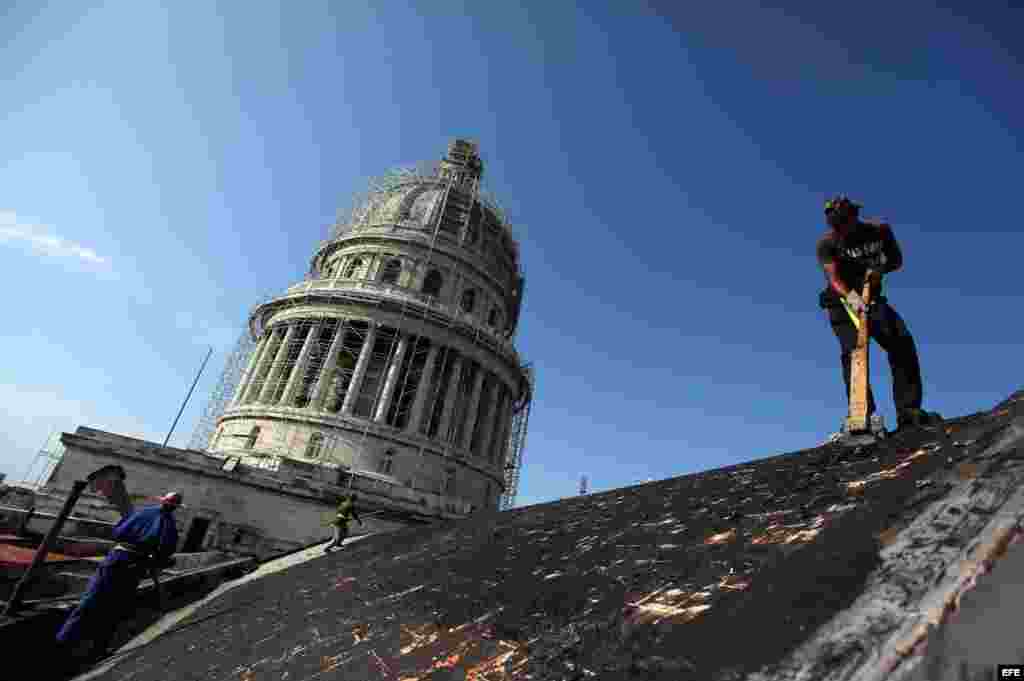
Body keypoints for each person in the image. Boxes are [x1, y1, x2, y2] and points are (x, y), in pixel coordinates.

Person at [816, 196, 941, 439]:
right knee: (854, 352)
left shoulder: (879, 230)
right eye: (835, 224)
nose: (840, 227)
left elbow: (896, 260)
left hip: (872, 297)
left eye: (844, 221)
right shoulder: (827, 243)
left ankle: (909, 411)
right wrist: (855, 303)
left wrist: (879, 269)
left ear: (854, 215)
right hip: (842, 302)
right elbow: (834, 280)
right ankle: (861, 417)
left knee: (901, 342)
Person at [55, 491, 181, 663]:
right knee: (113, 608)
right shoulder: (168, 524)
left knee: (93, 600)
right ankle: (91, 648)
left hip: (117, 558)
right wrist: (157, 561)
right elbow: (164, 552)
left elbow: (118, 532)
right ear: (174, 507)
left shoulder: (141, 513)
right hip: (134, 564)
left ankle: (65, 641)